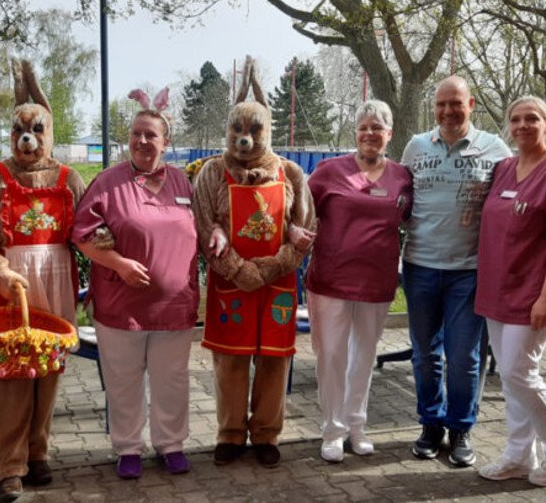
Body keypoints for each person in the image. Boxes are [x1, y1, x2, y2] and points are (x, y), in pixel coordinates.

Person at [0, 58, 86, 500]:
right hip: (9, 284)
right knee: (10, 372)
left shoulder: (69, 178)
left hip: (56, 281)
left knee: (47, 368)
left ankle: (38, 451)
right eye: (22, 130)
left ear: (48, 132)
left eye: (38, 130)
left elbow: (89, 231)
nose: (29, 139)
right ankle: (8, 464)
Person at [193, 56, 315, 469]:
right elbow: (202, 226)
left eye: (254, 130)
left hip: (277, 283)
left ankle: (266, 432)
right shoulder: (212, 172)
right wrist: (239, 271)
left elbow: (305, 231)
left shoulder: (291, 173)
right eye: (238, 130)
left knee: (273, 360)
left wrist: (267, 269)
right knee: (230, 361)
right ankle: (229, 432)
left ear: (267, 131)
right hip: (231, 283)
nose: (244, 138)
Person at [72, 88, 200, 480]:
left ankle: (170, 444)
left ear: (166, 142)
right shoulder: (108, 182)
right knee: (124, 380)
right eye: (136, 134)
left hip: (174, 307)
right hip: (121, 304)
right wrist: (119, 263)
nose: (143, 141)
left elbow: (201, 230)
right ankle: (128, 447)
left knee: (171, 381)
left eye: (151, 135)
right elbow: (81, 234)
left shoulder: (182, 183)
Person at [400, 75, 511, 467]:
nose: (448, 111)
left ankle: (461, 428)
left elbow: (510, 206)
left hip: (469, 271)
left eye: (456, 103)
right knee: (425, 355)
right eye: (441, 104)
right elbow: (400, 201)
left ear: (472, 104)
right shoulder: (414, 147)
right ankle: (431, 425)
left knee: (463, 357)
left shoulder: (495, 150)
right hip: (419, 267)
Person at [475, 96, 546, 486]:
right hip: (496, 289)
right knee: (509, 375)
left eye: (532, 119)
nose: (522, 125)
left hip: (534, 292)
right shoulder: (504, 168)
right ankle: (519, 455)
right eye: (516, 119)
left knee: (522, 372)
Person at [304, 100, 412, 463]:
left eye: (377, 128)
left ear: (389, 135)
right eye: (364, 127)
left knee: (364, 356)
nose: (370, 133)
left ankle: (356, 426)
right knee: (332, 354)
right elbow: (299, 212)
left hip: (377, 281)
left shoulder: (402, 176)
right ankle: (332, 429)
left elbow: (411, 219)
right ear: (356, 133)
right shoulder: (327, 171)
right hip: (330, 280)